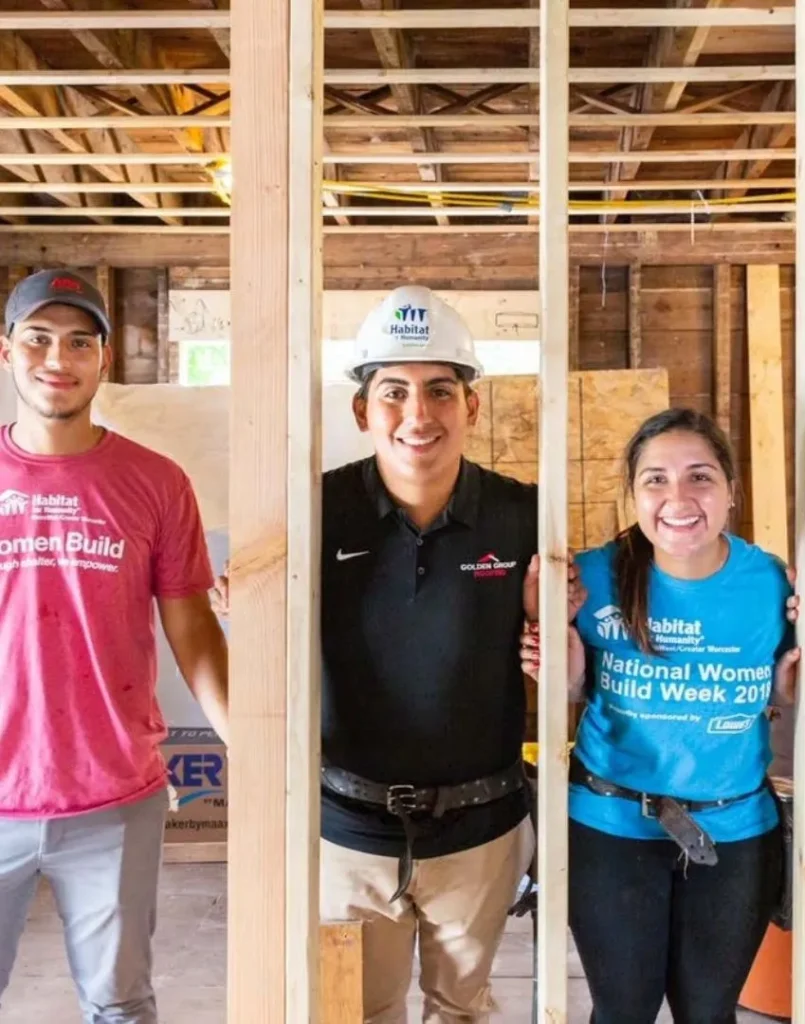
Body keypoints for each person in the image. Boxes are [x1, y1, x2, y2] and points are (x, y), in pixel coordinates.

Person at [218, 285, 582, 1023]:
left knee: (463, 1007)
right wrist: (245, 610)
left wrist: (558, 625)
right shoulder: (313, 513)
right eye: (394, 393)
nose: (419, 415)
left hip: (482, 829)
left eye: (441, 391)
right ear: (362, 410)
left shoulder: (522, 515)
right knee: (359, 1009)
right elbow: (267, 633)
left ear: (471, 408)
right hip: (349, 829)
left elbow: (560, 668)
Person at [522, 407, 805, 1024]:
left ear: (732, 491)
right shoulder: (591, 578)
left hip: (733, 834)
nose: (678, 497)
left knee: (708, 1011)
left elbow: (796, 696)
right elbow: (571, 691)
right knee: (623, 1009)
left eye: (700, 477)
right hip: (609, 827)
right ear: (633, 494)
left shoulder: (774, 585)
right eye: (655, 480)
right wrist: (557, 651)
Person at [0, 269, 228, 1024]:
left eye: (78, 342)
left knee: (120, 1003)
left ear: (104, 361)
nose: (56, 359)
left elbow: (191, 625)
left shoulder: (156, 483)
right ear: (7, 352)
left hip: (113, 799)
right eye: (37, 339)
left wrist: (247, 739)